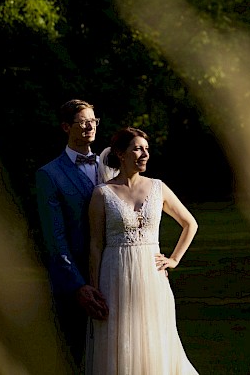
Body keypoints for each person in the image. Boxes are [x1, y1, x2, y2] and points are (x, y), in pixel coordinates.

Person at [85, 127, 200, 374]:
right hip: (114, 277)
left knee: (156, 337)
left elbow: (190, 223)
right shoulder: (102, 193)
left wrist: (174, 259)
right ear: (120, 154)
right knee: (120, 341)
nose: (144, 154)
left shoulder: (158, 187)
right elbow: (95, 244)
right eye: (137, 148)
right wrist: (94, 288)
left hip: (152, 278)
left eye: (146, 149)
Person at [35, 99, 116, 368]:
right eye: (82, 121)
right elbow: (54, 238)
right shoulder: (50, 174)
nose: (90, 126)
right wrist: (78, 286)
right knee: (79, 358)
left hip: (117, 270)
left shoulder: (113, 167)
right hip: (79, 282)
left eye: (93, 120)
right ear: (66, 127)